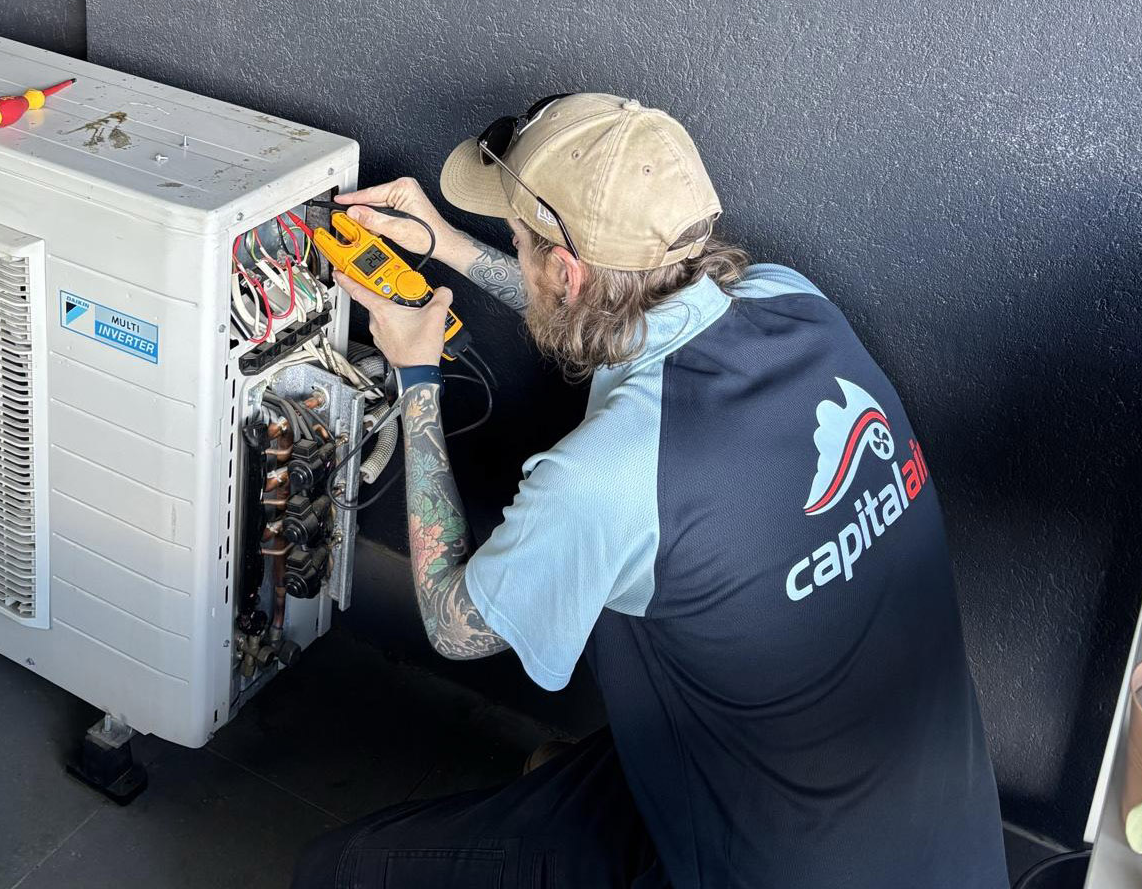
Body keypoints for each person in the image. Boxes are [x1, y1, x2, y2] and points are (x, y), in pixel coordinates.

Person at [292, 93, 1008, 888]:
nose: (514, 252)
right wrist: (453, 247)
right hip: (936, 833)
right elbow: (607, 321)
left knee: (342, 871)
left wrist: (416, 375)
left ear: (565, 270)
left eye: (518, 241)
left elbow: (457, 627)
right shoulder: (794, 301)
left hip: (760, 863)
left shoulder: (607, 477)